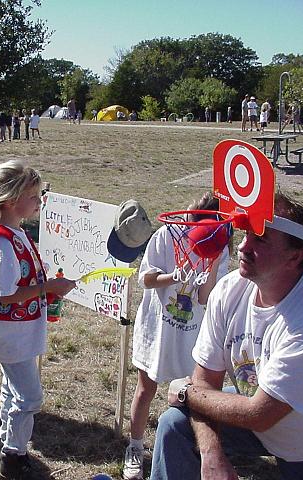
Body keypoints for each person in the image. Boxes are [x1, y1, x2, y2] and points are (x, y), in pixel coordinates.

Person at [151, 192, 303, 480]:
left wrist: (185, 392)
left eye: (261, 239)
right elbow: (207, 380)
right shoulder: (230, 290)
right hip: (256, 417)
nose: (244, 246)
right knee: (175, 425)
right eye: (246, 234)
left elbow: (260, 414)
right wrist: (211, 454)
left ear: (295, 256)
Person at [0, 160, 76, 480]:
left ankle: (10, 447)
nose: (39, 201)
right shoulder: (3, 242)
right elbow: (5, 294)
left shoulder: (16, 233)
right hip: (11, 335)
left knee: (12, 389)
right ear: (13, 200)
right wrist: (47, 288)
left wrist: (47, 289)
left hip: (16, 332)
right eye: (34, 196)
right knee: (29, 397)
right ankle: (13, 457)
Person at [123, 193, 230, 480]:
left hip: (190, 334)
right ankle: (134, 448)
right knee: (146, 389)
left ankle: (190, 448)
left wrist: (212, 262)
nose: (189, 226)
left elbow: (206, 297)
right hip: (158, 327)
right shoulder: (166, 236)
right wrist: (173, 276)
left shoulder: (219, 249)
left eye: (197, 223)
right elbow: (145, 279)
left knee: (190, 398)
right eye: (189, 220)